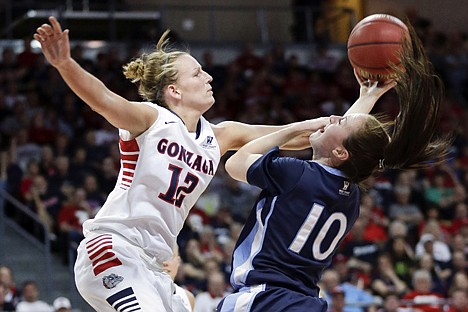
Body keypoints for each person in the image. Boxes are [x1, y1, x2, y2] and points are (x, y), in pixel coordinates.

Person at [34, 16, 313, 312]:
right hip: (114, 249)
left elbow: (285, 137)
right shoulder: (151, 120)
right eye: (197, 73)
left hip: (153, 267)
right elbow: (102, 99)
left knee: (189, 303)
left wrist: (336, 126)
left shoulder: (218, 136)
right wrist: (65, 64)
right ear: (174, 91)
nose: (209, 78)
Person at [216, 21, 450, 311]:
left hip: (265, 299)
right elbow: (347, 148)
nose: (335, 118)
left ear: (340, 151)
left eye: (343, 121)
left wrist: (294, 129)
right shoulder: (349, 196)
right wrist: (369, 96)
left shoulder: (297, 174)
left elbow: (234, 163)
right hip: (304, 302)